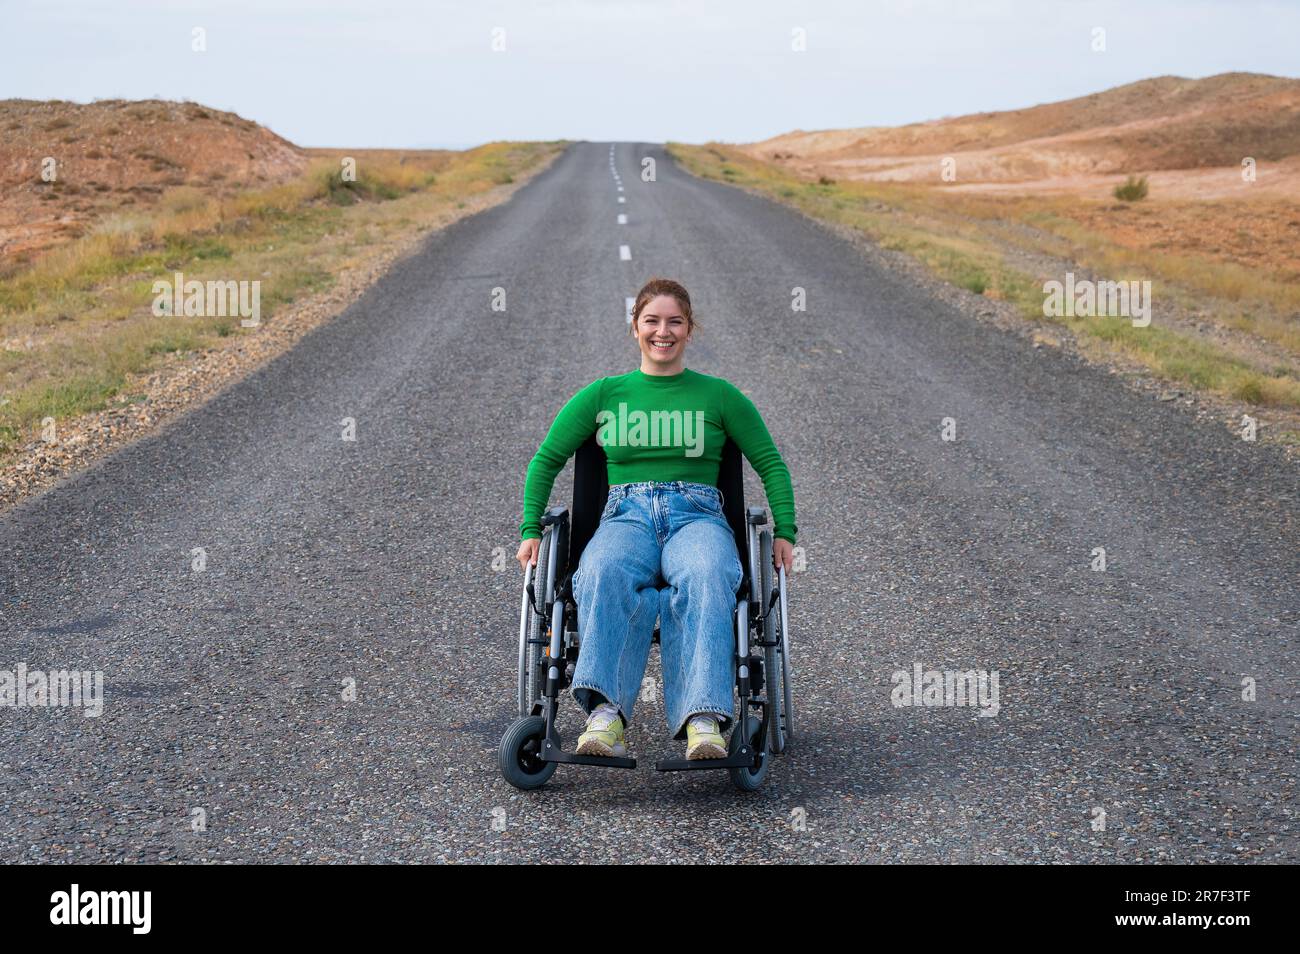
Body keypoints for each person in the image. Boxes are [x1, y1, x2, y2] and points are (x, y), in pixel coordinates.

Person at [516, 277, 796, 760]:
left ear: (690, 329)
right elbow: (546, 459)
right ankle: (606, 717)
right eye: (652, 321)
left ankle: (703, 720)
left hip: (698, 516)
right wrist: (529, 529)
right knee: (601, 571)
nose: (662, 332)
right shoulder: (605, 394)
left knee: (709, 573)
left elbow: (770, 462)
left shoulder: (719, 396)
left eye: (674, 322)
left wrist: (785, 532)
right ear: (635, 328)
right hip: (627, 515)